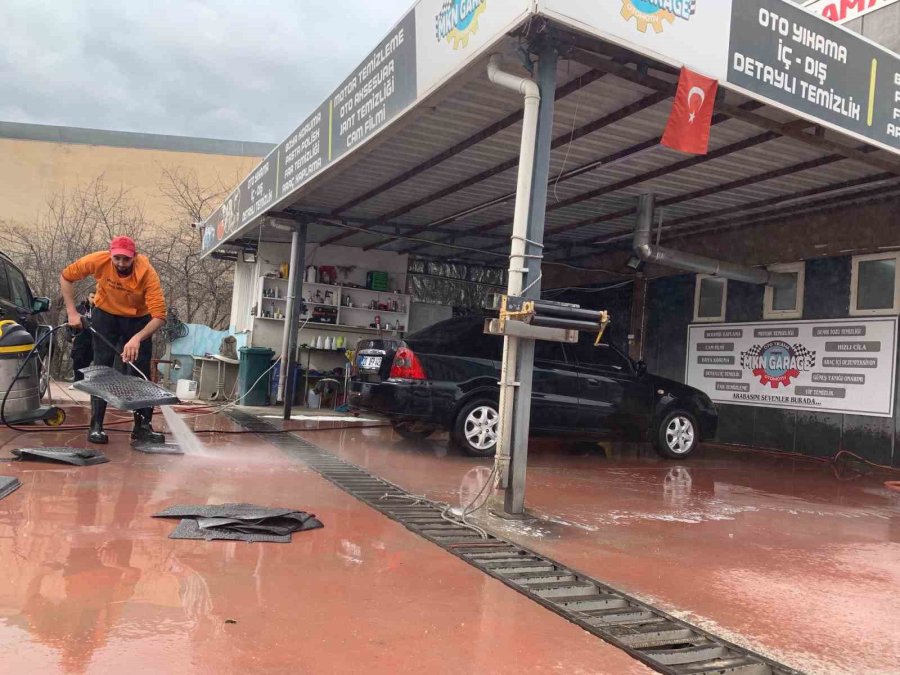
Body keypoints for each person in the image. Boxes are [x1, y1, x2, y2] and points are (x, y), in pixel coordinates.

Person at [60, 236, 167, 445]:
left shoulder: (147, 273)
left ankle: (142, 427)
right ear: (110, 255)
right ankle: (96, 426)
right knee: (102, 368)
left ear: (134, 257)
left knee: (140, 371)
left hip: (138, 320)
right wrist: (72, 312)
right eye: (117, 258)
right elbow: (66, 276)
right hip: (105, 316)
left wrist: (137, 338)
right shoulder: (98, 260)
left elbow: (159, 316)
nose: (121, 263)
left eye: (126, 259)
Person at [69, 292, 95, 388]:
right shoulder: (80, 308)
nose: (94, 299)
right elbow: (68, 322)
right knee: (78, 359)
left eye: (96, 297)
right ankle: (77, 382)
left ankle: (88, 383)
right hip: (81, 338)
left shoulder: (100, 310)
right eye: (92, 297)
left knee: (91, 360)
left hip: (94, 339)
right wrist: (71, 336)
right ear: (88, 297)